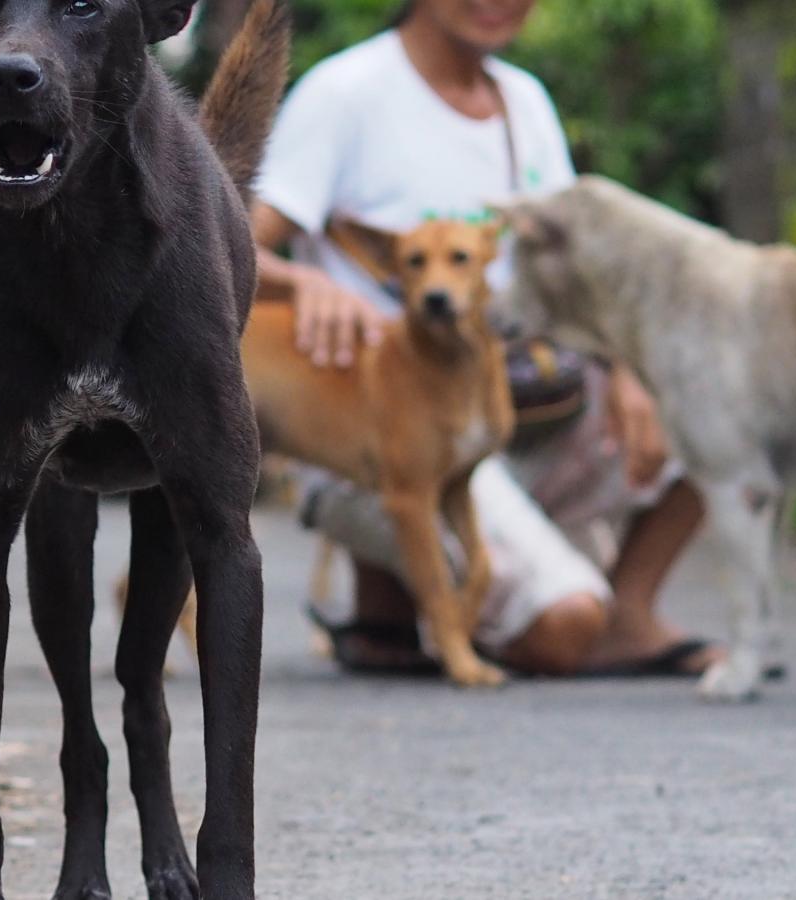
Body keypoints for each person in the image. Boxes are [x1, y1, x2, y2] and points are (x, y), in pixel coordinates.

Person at [251, 0, 720, 676]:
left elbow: (572, 273)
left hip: (512, 409)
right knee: (563, 625)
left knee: (712, 409)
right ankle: (459, 604)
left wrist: (627, 371)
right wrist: (304, 285)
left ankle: (627, 614)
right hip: (382, 436)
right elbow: (225, 247)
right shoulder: (346, 93)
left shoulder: (523, 102)